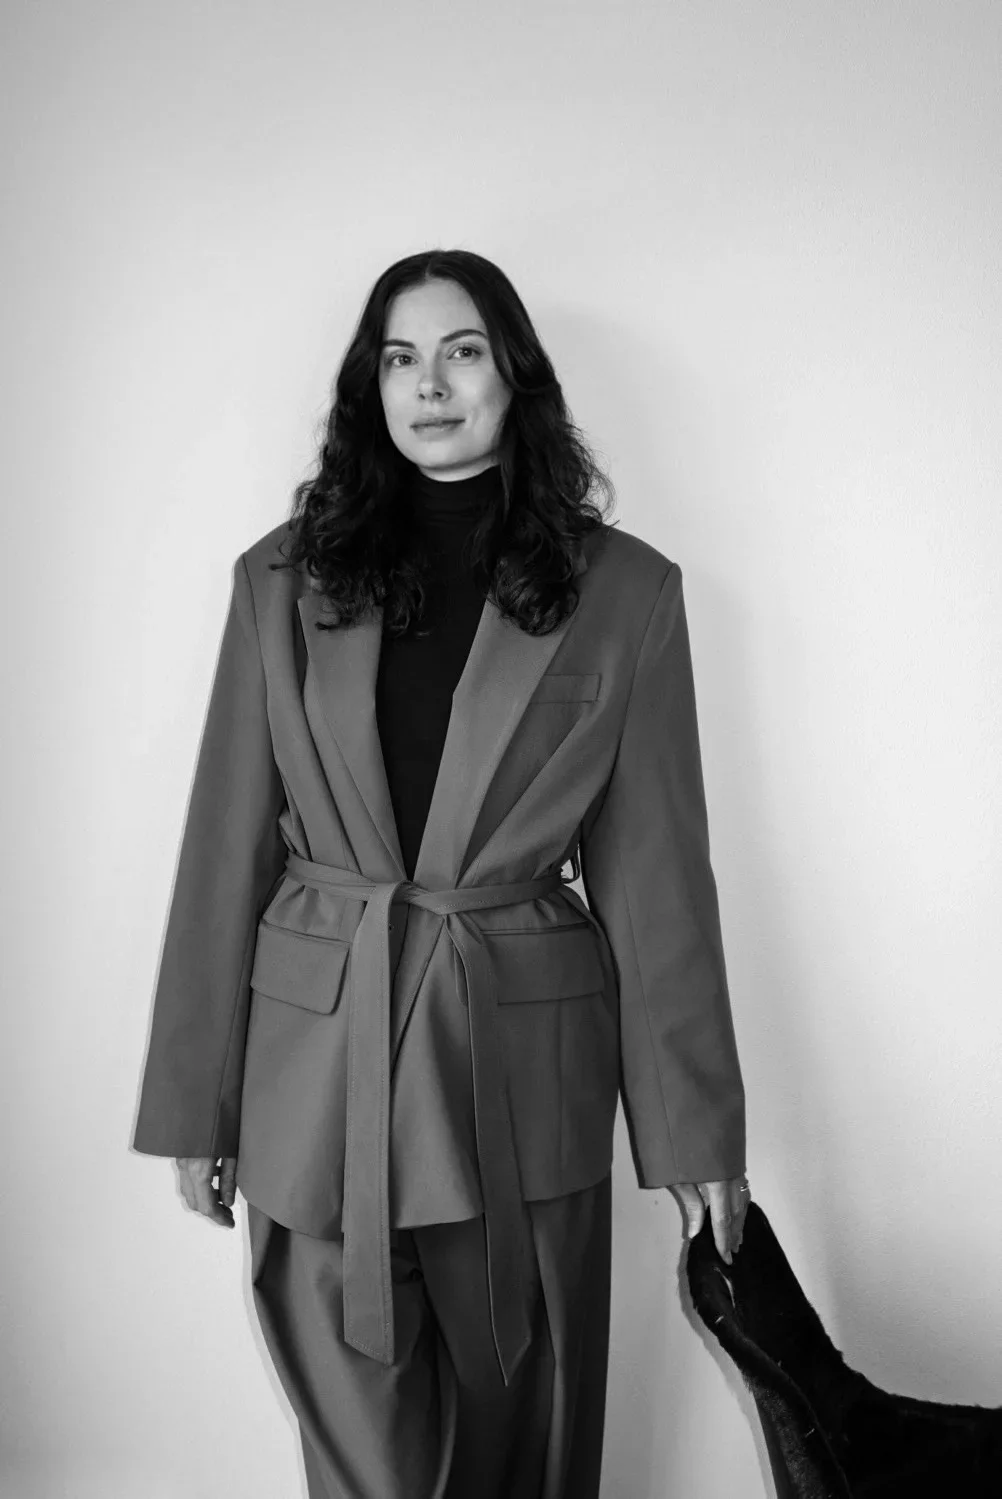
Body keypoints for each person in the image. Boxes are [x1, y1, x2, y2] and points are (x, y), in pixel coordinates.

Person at [132, 247, 751, 1499]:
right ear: (370, 387)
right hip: (317, 1071)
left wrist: (694, 1128)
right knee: (369, 1454)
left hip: (517, 1071)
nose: (430, 385)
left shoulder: (626, 592)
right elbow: (225, 842)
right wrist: (197, 1100)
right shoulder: (281, 577)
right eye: (399, 358)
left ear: (513, 374)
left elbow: (656, 879)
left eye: (461, 351)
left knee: (521, 1440)